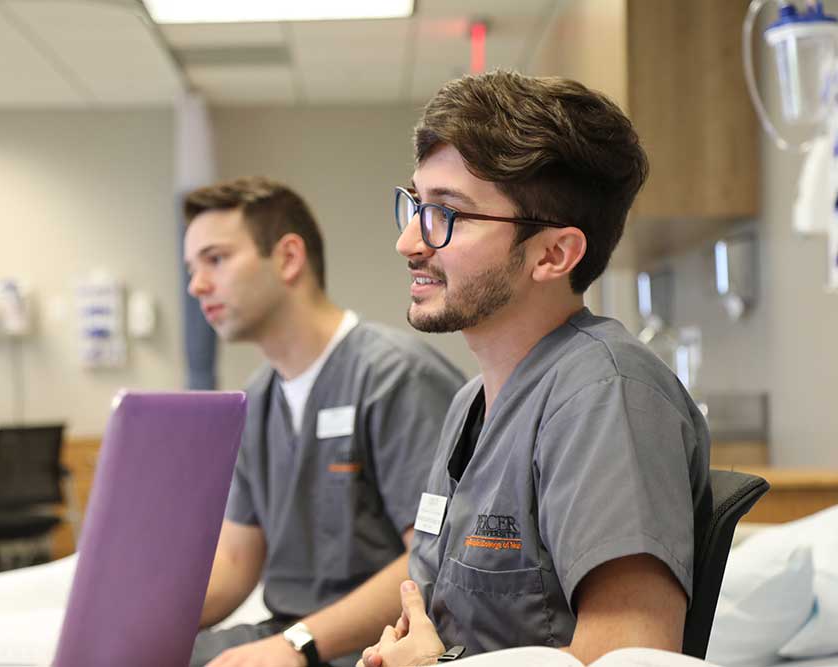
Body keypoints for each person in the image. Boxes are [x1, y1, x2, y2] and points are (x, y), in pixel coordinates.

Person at [359, 70, 712, 666]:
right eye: (416, 205)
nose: (410, 242)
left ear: (554, 253)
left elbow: (634, 658)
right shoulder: (471, 402)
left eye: (448, 214)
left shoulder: (609, 398)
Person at [182, 177, 466, 667]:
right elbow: (234, 562)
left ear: (289, 257)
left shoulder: (394, 377)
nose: (197, 285)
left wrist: (297, 644)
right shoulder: (256, 399)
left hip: (376, 645)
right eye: (193, 267)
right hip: (290, 633)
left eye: (216, 259)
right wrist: (134, 620)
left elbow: (430, 561)